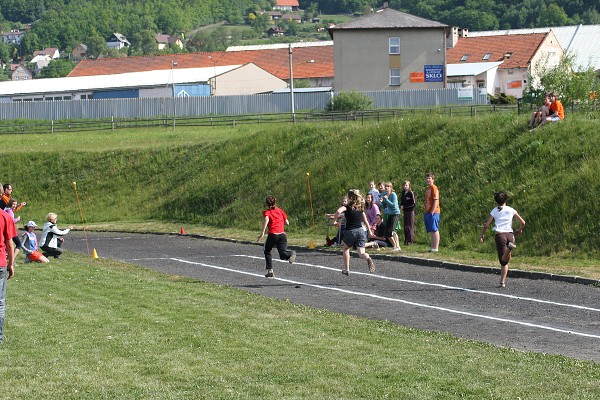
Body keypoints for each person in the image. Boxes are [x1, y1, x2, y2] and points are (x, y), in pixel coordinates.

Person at [479, 192, 526, 288]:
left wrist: (482, 235)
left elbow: (486, 224)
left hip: (500, 236)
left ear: (496, 201)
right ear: (506, 200)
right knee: (506, 261)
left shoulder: (495, 210)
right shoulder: (511, 210)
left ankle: (509, 248)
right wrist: (519, 229)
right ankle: (502, 282)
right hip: (510, 235)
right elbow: (523, 222)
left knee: (503, 260)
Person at [331, 189, 375, 275]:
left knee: (346, 249)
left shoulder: (347, 207)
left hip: (351, 231)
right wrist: (369, 231)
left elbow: (338, 211)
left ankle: (347, 270)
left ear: (349, 197)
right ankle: (368, 258)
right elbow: (365, 221)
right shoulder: (360, 207)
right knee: (362, 253)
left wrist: (334, 222)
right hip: (361, 231)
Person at [257, 196, 296, 278]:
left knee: (267, 250)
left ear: (267, 204)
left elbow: (266, 220)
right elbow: (287, 223)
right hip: (282, 235)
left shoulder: (267, 212)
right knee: (282, 255)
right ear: (275, 202)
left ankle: (270, 271)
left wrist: (262, 233)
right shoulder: (280, 211)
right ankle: (291, 254)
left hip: (273, 234)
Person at [0, 208, 17, 343]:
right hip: (0, 263)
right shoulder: (5, 216)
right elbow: (10, 244)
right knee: (0, 301)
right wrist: (11, 264)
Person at [379, 181, 401, 251]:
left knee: (393, 230)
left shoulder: (393, 194)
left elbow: (393, 205)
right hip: (390, 214)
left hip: (395, 213)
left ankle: (398, 246)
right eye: (386, 187)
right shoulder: (385, 195)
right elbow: (384, 206)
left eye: (388, 187)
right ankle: (395, 246)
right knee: (387, 233)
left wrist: (386, 199)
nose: (386, 188)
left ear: (391, 188)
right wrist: (381, 202)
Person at [424, 172, 440, 252]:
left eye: (429, 178)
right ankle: (432, 247)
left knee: (434, 229)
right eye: (426, 178)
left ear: (433, 179)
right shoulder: (427, 189)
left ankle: (436, 247)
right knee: (431, 230)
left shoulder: (434, 188)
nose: (427, 180)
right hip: (427, 211)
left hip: (433, 212)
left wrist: (432, 212)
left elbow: (436, 201)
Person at [400, 180, 416, 246]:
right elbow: (402, 201)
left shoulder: (410, 193)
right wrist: (401, 205)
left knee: (410, 226)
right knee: (405, 226)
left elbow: (413, 203)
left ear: (409, 186)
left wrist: (405, 206)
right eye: (404, 185)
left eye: (406, 185)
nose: (405, 186)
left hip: (410, 211)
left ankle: (410, 240)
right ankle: (406, 240)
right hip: (405, 211)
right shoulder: (403, 193)